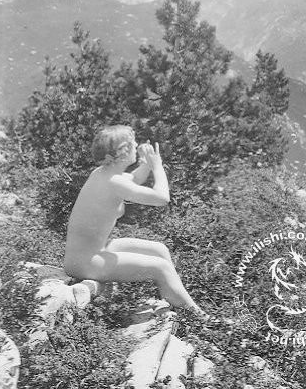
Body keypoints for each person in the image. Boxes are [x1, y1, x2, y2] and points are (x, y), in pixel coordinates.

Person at [64, 124, 205, 315]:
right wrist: (157, 166)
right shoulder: (114, 181)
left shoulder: (104, 173)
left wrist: (146, 164)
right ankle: (199, 317)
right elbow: (162, 198)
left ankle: (173, 297)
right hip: (85, 262)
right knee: (161, 267)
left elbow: (133, 180)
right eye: (133, 143)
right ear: (122, 152)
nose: (137, 145)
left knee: (159, 249)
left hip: (93, 252)